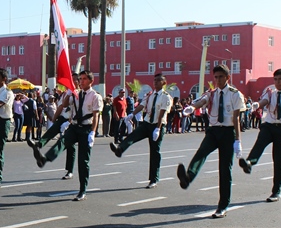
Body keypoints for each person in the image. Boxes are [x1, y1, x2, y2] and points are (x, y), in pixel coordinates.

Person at [176, 64, 247, 218]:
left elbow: (236, 119)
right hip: (214, 131)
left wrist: (237, 140)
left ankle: (223, 206)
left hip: (228, 132)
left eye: (221, 77)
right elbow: (201, 101)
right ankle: (188, 178)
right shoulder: (212, 93)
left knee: (224, 169)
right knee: (201, 152)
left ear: (227, 78)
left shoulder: (235, 94)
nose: (218, 80)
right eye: (215, 77)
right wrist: (190, 108)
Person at [34, 70, 102, 201]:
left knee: (83, 161)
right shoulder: (75, 94)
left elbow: (96, 116)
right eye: (80, 79)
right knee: (62, 142)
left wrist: (93, 132)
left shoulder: (95, 96)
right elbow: (64, 105)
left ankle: (82, 190)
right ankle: (45, 158)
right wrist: (69, 93)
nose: (81, 81)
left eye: (84, 79)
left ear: (91, 81)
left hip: (86, 129)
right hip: (74, 127)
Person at [238, 68, 281, 202]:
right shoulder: (270, 93)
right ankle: (249, 162)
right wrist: (257, 105)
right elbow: (264, 101)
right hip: (269, 126)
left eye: (280, 79)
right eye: (275, 79)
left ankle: (276, 192)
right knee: (259, 145)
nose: (277, 82)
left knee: (279, 161)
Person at [109, 73, 173, 189]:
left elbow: (162, 112)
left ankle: (154, 179)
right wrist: (132, 114)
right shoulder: (149, 95)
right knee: (133, 135)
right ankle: (120, 149)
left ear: (164, 83)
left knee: (155, 152)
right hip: (147, 123)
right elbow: (142, 106)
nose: (155, 83)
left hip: (157, 125)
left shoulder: (166, 97)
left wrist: (158, 128)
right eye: (154, 81)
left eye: (158, 81)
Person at [27, 73, 81, 180]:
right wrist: (54, 118)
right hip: (62, 118)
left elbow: (78, 109)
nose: (71, 82)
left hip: (72, 121)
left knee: (70, 146)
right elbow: (61, 106)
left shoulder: (79, 94)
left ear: (78, 82)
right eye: (70, 80)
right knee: (51, 131)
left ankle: (69, 171)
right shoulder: (66, 93)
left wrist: (70, 121)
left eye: (74, 80)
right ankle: (39, 145)